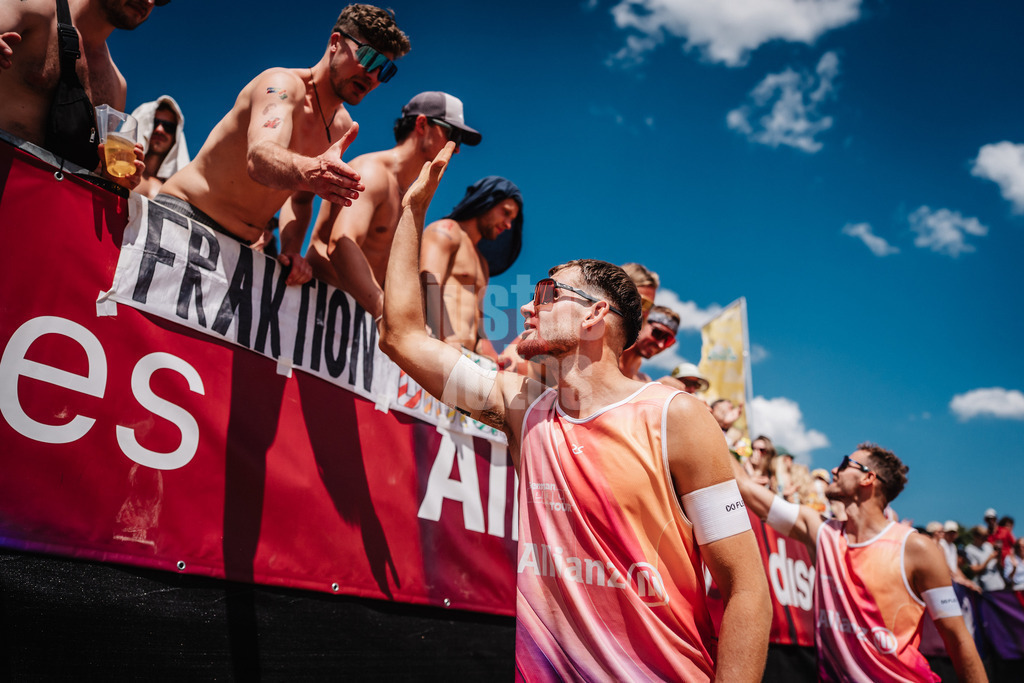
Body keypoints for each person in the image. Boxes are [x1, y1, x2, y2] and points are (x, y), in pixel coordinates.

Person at [378, 143, 771, 681]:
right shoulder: (521, 408)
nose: (524, 306)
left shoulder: (675, 417)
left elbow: (746, 588)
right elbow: (401, 335)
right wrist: (411, 212)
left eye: (545, 292)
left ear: (595, 314)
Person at [158, 4, 410, 286]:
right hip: (185, 217)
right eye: (368, 57)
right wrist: (311, 171)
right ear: (336, 43)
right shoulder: (281, 85)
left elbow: (301, 199)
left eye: (385, 70)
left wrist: (291, 250)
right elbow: (260, 157)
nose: (372, 75)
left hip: (241, 250)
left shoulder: (341, 127)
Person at [732, 443, 988, 682]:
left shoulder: (916, 548)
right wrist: (710, 428)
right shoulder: (821, 532)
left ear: (868, 478)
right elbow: (744, 486)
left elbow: (958, 638)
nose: (834, 470)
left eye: (845, 465)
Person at [306, 91, 481, 319]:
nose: (456, 148)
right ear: (422, 124)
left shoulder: (411, 194)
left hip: (354, 321)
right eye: (453, 135)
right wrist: (386, 315)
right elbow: (341, 243)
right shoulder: (372, 172)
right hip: (315, 309)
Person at [0, 0, 164, 185]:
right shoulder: (30, 8)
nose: (150, 1)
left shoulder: (117, 85)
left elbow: (97, 173)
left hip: (54, 208)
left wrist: (115, 180)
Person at [420, 175, 522, 360]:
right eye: (506, 213)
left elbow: (478, 319)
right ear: (486, 201)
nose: (508, 225)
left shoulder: (482, 262)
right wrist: (448, 337)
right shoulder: (446, 230)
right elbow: (428, 282)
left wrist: (489, 354)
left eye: (512, 219)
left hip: (462, 355)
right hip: (434, 346)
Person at [130, 95, 189, 198]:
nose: (160, 130)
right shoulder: (120, 172)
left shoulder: (176, 191)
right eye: (154, 123)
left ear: (176, 136)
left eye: (168, 127)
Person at [617, 305, 679, 381]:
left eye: (668, 340)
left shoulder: (644, 380)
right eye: (658, 333)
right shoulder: (605, 357)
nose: (660, 345)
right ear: (641, 323)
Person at [966, 525, 1006, 591]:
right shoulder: (969, 549)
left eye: (986, 537)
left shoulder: (988, 545)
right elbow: (975, 570)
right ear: (976, 536)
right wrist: (989, 559)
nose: (985, 539)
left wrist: (998, 555)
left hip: (999, 581)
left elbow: (998, 564)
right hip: (987, 585)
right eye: (983, 537)